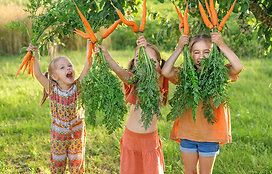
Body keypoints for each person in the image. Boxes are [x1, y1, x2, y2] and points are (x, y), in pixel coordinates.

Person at [161, 32, 243, 174]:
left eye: (207, 52)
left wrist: (221, 44)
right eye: (196, 52)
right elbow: (166, 71)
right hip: (188, 134)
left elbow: (238, 67)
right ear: (190, 54)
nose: (201, 56)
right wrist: (179, 48)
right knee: (190, 172)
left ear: (213, 54)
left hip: (210, 136)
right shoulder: (185, 75)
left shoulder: (219, 74)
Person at [96, 35, 171, 174]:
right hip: (130, 140)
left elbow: (163, 71)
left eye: (148, 59)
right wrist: (105, 54)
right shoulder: (133, 81)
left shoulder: (159, 80)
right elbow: (118, 70)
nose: (143, 62)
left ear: (159, 63)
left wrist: (145, 46)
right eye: (138, 58)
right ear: (134, 63)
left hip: (150, 142)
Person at [30, 40, 92, 173]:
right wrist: (35, 55)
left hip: (77, 133)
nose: (68, 68)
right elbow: (38, 75)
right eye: (62, 67)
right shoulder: (52, 88)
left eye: (70, 65)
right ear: (54, 76)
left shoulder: (78, 86)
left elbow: (87, 65)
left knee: (77, 163)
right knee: (58, 164)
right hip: (59, 135)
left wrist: (89, 46)